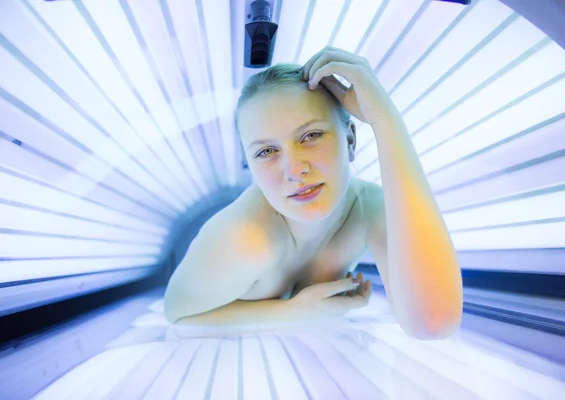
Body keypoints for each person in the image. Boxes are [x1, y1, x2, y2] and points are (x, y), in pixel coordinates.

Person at [164, 47, 463, 339]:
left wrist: (385, 120)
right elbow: (178, 316)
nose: (294, 170)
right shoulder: (244, 237)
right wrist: (295, 311)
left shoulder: (371, 208)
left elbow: (433, 322)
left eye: (311, 136)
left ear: (350, 140)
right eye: (266, 151)